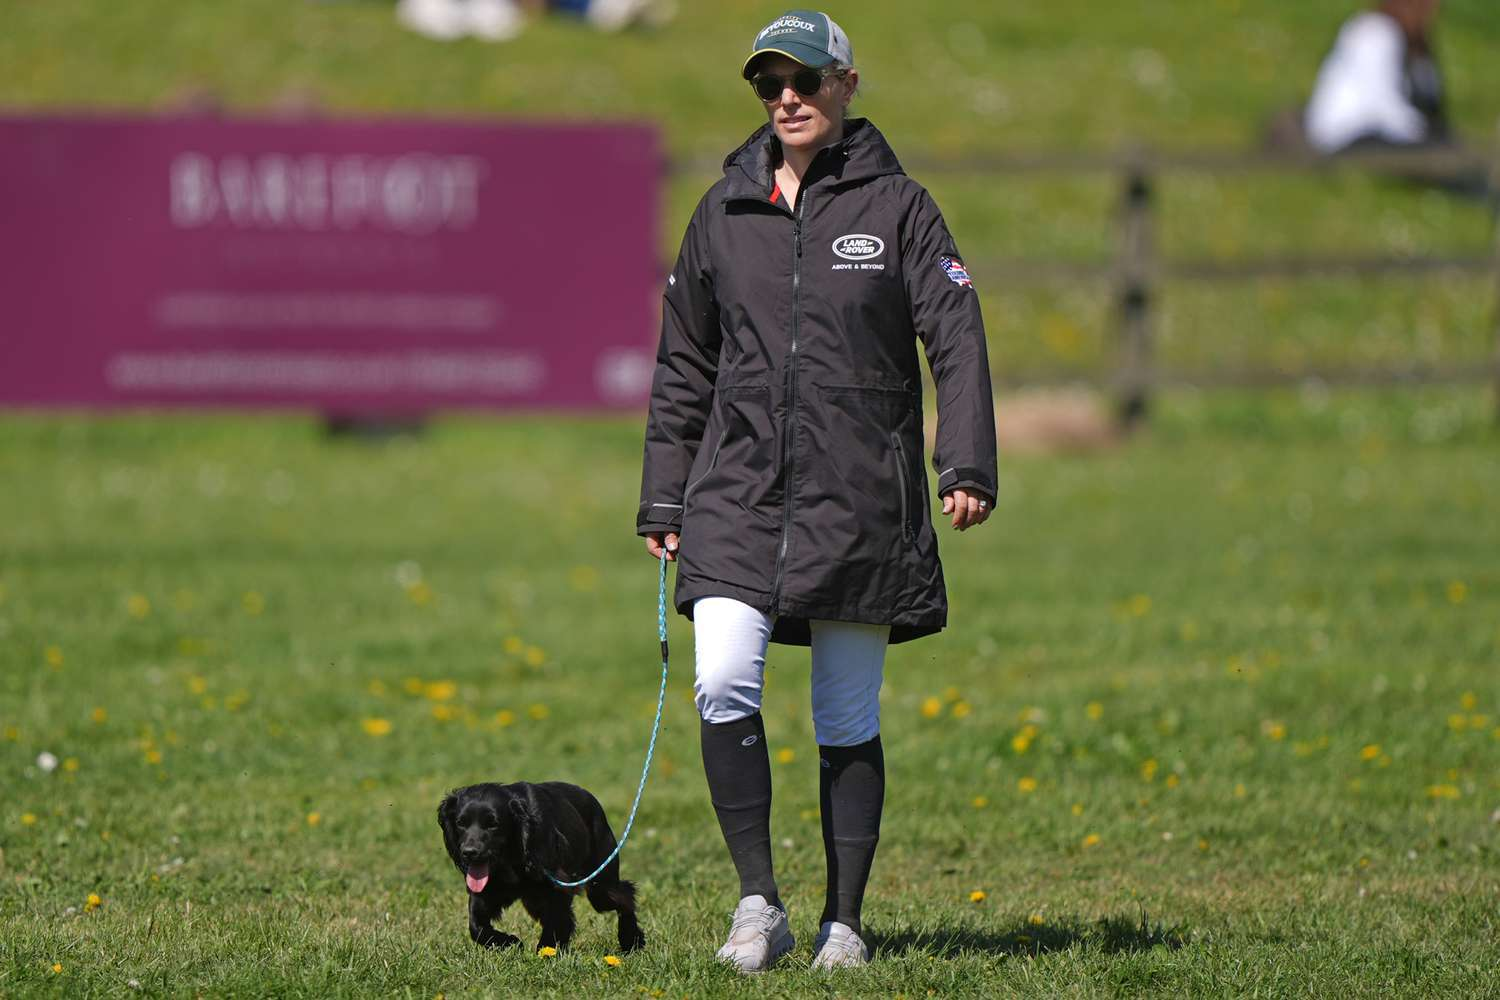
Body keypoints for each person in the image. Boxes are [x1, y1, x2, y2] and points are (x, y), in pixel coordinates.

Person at [636, 8, 996, 974]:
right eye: (767, 83)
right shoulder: (722, 211)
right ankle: (758, 903)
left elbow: (956, 337)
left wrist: (963, 463)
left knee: (845, 714)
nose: (785, 98)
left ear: (845, 84)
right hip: (737, 495)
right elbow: (683, 364)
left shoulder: (902, 209)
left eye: (802, 79)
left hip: (860, 502)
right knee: (720, 679)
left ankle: (845, 923)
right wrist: (664, 497)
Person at [1303, 0, 1449, 154]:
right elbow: (1381, 102)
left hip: (1379, 130)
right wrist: (1419, 132)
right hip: (1350, 131)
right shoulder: (1374, 32)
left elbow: (1430, 97)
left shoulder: (1411, 43)